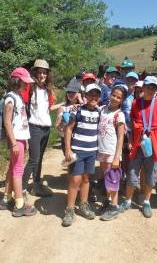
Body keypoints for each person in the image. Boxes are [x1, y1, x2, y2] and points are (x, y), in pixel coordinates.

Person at [119, 76, 157, 218]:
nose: (150, 89)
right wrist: (130, 140)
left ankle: (146, 202)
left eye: (154, 87)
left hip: (153, 143)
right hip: (137, 143)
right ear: (143, 87)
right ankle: (128, 201)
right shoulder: (136, 103)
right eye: (148, 86)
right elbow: (132, 124)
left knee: (150, 174)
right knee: (132, 172)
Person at [22, 59, 64, 198]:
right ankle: (21, 189)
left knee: (39, 158)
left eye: (44, 73)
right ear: (34, 73)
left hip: (46, 129)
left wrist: (64, 103)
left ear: (48, 75)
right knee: (33, 159)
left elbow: (49, 108)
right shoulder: (29, 88)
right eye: (39, 72)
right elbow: (22, 105)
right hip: (34, 128)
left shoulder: (47, 91)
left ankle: (36, 185)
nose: (42, 75)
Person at [0, 67, 37, 217]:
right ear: (17, 81)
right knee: (17, 171)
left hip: (20, 139)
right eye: (24, 82)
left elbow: (21, 121)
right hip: (16, 140)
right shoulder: (11, 98)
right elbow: (7, 122)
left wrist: (25, 140)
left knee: (12, 168)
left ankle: (6, 198)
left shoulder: (18, 96)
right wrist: (14, 143)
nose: (27, 84)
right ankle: (20, 204)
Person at [62, 83, 101, 227]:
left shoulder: (99, 112)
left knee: (86, 178)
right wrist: (67, 149)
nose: (93, 97)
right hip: (77, 151)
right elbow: (68, 130)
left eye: (96, 95)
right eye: (90, 94)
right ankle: (70, 209)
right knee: (75, 180)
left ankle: (83, 204)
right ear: (85, 96)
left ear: (99, 97)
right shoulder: (77, 111)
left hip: (91, 152)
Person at [97, 85, 127, 221]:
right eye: (114, 95)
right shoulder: (102, 109)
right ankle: (108, 201)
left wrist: (116, 157)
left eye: (118, 97)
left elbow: (121, 137)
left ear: (122, 100)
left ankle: (114, 206)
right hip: (102, 150)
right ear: (110, 94)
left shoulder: (119, 115)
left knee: (112, 179)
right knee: (105, 177)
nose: (115, 98)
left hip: (112, 151)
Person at [55, 79, 81, 155]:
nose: (70, 94)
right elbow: (57, 127)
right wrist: (62, 124)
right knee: (71, 165)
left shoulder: (83, 106)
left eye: (73, 92)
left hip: (79, 140)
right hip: (66, 140)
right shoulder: (62, 108)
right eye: (69, 92)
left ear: (78, 94)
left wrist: (80, 100)